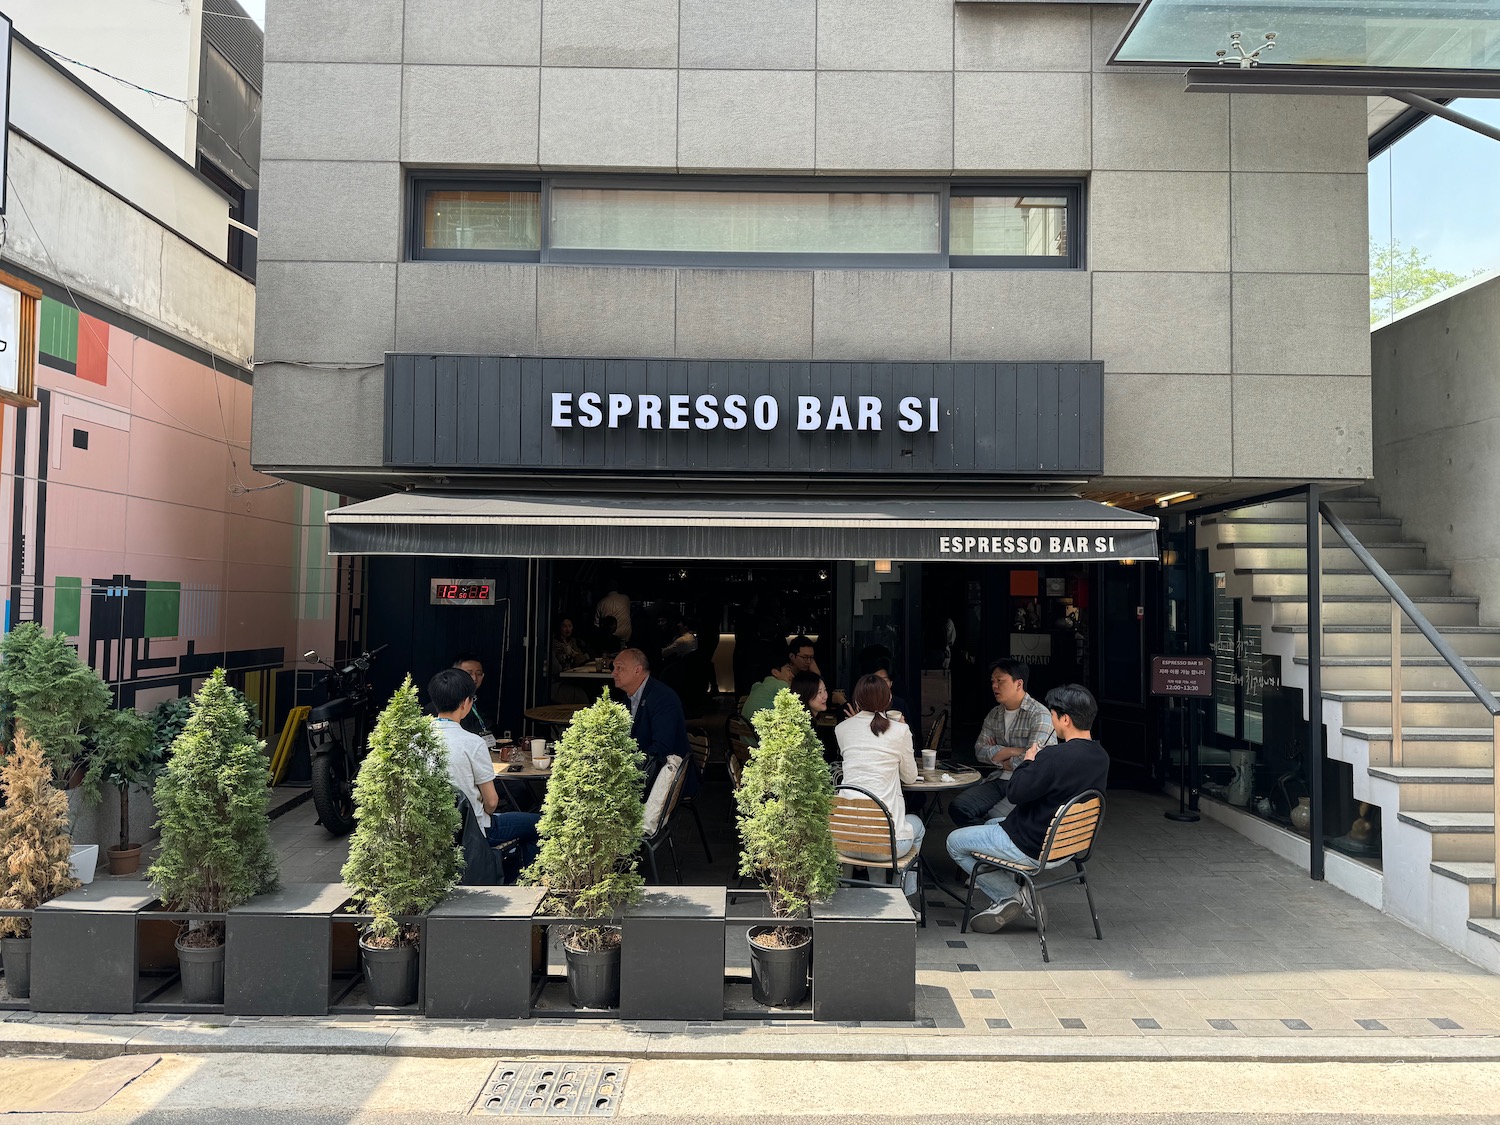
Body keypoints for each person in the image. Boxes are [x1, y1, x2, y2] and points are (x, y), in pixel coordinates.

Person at [945, 684, 1109, 934]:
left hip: (1032, 846)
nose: (1051, 720)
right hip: (1068, 846)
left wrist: (1029, 761)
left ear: (1065, 719)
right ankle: (1014, 897)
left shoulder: (1054, 757)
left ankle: (1013, 896)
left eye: (1053, 714)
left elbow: (1016, 793)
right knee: (990, 825)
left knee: (955, 842)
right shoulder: (1101, 757)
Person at [429, 668, 539, 882]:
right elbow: (491, 801)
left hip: (429, 828)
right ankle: (517, 883)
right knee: (540, 826)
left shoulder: (414, 739)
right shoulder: (472, 742)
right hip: (473, 830)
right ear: (466, 703)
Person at [836, 673, 923, 896]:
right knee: (917, 825)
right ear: (888, 699)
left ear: (856, 701)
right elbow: (910, 777)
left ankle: (851, 889)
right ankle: (900, 895)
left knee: (866, 822)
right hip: (886, 848)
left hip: (845, 840)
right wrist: (904, 732)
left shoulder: (842, 729)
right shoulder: (900, 731)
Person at [948, 660, 1057, 829]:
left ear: (1018, 683)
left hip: (1026, 785)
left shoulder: (1039, 714)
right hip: (999, 780)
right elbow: (980, 751)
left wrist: (1002, 757)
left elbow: (1038, 760)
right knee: (959, 807)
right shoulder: (995, 713)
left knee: (993, 818)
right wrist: (1014, 751)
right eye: (992, 681)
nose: (994, 686)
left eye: (1000, 681)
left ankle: (986, 844)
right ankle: (986, 843)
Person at [611, 647, 699, 796]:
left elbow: (661, 748)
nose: (613, 673)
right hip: (645, 772)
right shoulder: (630, 696)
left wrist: (625, 766)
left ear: (637, 671)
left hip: (668, 778)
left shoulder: (662, 698)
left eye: (619, 668)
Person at [742, 649, 796, 724]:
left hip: (744, 733)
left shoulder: (758, 686)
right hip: (761, 734)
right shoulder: (780, 684)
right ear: (775, 672)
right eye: (788, 670)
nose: (792, 675)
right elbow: (794, 711)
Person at [452, 653, 494, 740]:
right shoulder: (444, 704)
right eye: (469, 673)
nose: (474, 678)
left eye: (479, 674)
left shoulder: (485, 703)